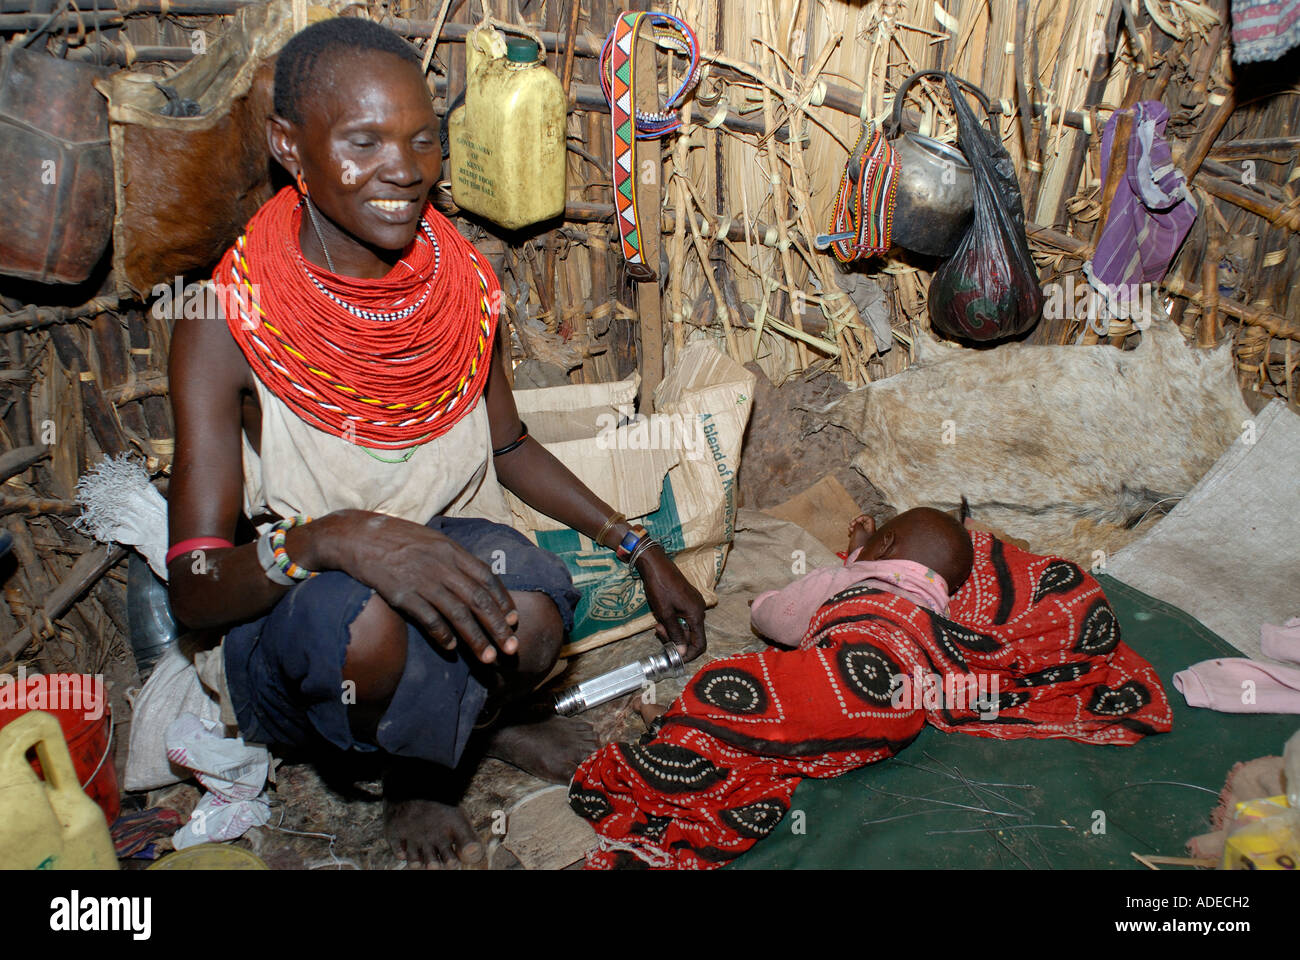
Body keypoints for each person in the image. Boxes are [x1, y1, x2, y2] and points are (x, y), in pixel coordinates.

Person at [165, 16, 707, 869]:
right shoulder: (222, 321)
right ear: (288, 147)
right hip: (314, 614)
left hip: (446, 557)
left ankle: (473, 727)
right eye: (364, 140)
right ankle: (417, 773)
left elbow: (511, 445)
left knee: (533, 610)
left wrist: (639, 547)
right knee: (368, 627)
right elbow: (194, 592)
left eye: (423, 140)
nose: (405, 171)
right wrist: (336, 536)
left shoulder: (459, 284)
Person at [749, 507, 974, 648]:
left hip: (838, 675)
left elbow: (783, 622)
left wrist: (763, 605)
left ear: (885, 544)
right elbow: (876, 573)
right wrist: (861, 551)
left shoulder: (842, 580)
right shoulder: (937, 617)